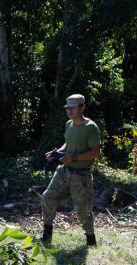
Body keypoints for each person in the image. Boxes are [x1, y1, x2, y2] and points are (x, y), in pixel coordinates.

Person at [41, 94, 101, 246]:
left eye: (73, 108)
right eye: (68, 108)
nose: (69, 111)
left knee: (82, 211)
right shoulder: (69, 124)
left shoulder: (91, 127)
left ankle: (91, 240)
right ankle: (47, 236)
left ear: (82, 107)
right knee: (47, 198)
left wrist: (73, 157)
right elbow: (67, 144)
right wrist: (56, 153)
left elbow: (95, 152)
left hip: (81, 175)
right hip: (64, 171)